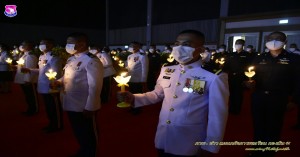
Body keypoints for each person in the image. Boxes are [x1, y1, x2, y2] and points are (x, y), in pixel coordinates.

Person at [118, 30, 229, 157]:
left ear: (201, 49)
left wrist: (210, 146)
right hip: (163, 136)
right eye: (177, 43)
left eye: (186, 44)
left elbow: (218, 115)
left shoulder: (213, 76)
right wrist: (133, 98)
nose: (179, 48)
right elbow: (157, 94)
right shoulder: (167, 69)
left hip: (189, 141)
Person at [246, 31, 300, 157]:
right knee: (258, 125)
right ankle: (257, 151)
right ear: (266, 41)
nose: (274, 41)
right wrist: (250, 83)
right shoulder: (260, 57)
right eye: (271, 38)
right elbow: (253, 75)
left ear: (285, 42)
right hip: (259, 96)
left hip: (279, 97)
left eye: (278, 38)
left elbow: (299, 81)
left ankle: (269, 152)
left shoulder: (294, 59)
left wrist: (295, 100)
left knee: (274, 126)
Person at [52, 33, 103, 157]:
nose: (67, 46)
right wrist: (58, 82)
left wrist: (91, 107)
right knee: (78, 131)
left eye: (70, 42)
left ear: (82, 44)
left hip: (83, 104)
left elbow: (95, 86)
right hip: (71, 102)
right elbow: (67, 76)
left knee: (89, 133)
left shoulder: (91, 60)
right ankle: (83, 151)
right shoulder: (72, 59)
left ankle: (90, 153)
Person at [21, 39, 63, 133]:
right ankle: (51, 123)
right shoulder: (41, 56)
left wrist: (55, 87)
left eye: (45, 43)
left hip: (51, 86)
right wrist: (30, 70)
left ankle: (57, 125)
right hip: (43, 85)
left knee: (54, 107)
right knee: (48, 106)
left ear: (51, 45)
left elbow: (56, 73)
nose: (42, 45)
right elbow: (41, 70)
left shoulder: (54, 57)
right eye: (41, 43)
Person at [223, 39, 250, 115]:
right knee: (231, 93)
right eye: (236, 43)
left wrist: (244, 76)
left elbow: (248, 66)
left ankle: (237, 109)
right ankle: (231, 108)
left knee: (238, 94)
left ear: (243, 45)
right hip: (231, 76)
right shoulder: (231, 54)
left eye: (240, 43)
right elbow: (226, 65)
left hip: (241, 77)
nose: (238, 45)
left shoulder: (247, 55)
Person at [14, 41, 39, 116]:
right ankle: (30, 109)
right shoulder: (24, 55)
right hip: (23, 79)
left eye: (23, 45)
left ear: (29, 46)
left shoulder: (30, 56)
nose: (21, 46)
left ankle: (34, 109)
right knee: (28, 96)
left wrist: (28, 80)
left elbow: (29, 69)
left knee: (31, 96)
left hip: (28, 80)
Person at [126, 41, 149, 115]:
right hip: (130, 78)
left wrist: (143, 79)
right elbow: (129, 67)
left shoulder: (142, 55)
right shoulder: (129, 56)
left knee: (137, 95)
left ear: (138, 47)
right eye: (130, 46)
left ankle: (138, 109)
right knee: (131, 94)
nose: (130, 47)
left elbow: (145, 68)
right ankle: (132, 107)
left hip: (138, 79)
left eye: (132, 46)